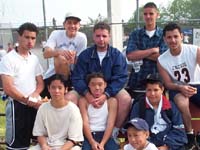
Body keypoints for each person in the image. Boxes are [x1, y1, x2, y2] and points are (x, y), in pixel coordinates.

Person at [72, 22, 132, 139]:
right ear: (93, 37)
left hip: (109, 89)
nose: (101, 39)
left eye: (104, 36)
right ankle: (77, 133)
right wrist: (86, 93)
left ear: (109, 36)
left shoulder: (117, 55)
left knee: (126, 99)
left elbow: (121, 78)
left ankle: (115, 131)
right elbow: (77, 77)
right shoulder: (85, 55)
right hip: (87, 89)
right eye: (98, 36)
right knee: (70, 98)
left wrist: (107, 94)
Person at [0, 22, 44, 150]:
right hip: (17, 107)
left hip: (35, 106)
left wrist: (35, 96)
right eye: (27, 37)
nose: (30, 41)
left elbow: (40, 83)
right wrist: (27, 100)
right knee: (18, 146)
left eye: (33, 38)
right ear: (19, 37)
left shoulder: (34, 59)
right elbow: (8, 88)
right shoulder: (8, 59)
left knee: (38, 144)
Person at [157, 22, 200, 149]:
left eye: (176, 36)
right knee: (182, 104)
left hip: (197, 83)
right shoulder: (162, 60)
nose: (173, 40)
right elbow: (168, 83)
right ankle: (190, 138)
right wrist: (181, 87)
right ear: (164, 39)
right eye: (169, 37)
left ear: (181, 36)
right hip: (178, 87)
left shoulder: (194, 50)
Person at [130, 73, 187, 149]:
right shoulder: (139, 106)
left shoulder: (171, 106)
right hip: (145, 145)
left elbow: (179, 131)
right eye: (149, 90)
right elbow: (134, 131)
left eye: (156, 90)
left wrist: (167, 146)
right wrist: (148, 146)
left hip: (167, 144)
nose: (152, 94)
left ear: (162, 89)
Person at [41, 12, 87, 103]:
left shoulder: (82, 38)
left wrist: (73, 59)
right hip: (53, 73)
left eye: (75, 23)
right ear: (64, 24)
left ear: (79, 26)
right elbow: (45, 53)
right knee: (60, 59)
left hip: (71, 75)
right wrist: (59, 52)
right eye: (69, 22)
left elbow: (80, 61)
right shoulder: (56, 34)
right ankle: (61, 87)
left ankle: (64, 88)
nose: (72, 26)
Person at [126, 2, 167, 100]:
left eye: (151, 13)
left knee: (156, 112)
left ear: (157, 15)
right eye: (145, 14)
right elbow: (130, 55)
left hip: (157, 82)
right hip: (137, 81)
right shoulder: (135, 34)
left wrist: (140, 53)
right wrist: (152, 50)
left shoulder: (164, 34)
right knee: (136, 110)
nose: (148, 16)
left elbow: (163, 57)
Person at [30, 74, 83, 150]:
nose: (56, 91)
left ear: (66, 89)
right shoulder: (43, 108)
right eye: (53, 88)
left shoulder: (73, 109)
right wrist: (44, 146)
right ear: (48, 89)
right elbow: (39, 133)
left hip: (68, 146)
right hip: (48, 144)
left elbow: (74, 139)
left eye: (60, 88)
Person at [79, 72, 119, 150]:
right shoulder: (83, 101)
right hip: (88, 135)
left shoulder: (112, 101)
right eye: (93, 84)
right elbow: (85, 123)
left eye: (100, 84)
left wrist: (102, 143)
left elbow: (110, 124)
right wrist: (92, 142)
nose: (97, 87)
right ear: (88, 85)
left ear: (105, 85)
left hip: (105, 135)